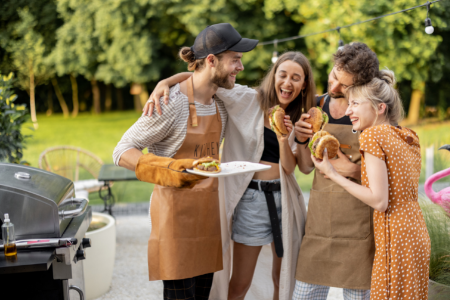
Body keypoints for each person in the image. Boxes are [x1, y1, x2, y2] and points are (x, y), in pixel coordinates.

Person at [144, 51, 314, 300]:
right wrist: (165, 83)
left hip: (285, 201)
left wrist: (290, 137)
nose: (288, 83)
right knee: (239, 285)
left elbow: (292, 168)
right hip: (252, 200)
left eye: (296, 78)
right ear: (273, 76)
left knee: (283, 279)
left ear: (304, 83)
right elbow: (203, 78)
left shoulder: (303, 116)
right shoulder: (247, 99)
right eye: (283, 75)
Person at [112, 23, 258, 300]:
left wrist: (167, 79)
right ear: (212, 60)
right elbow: (122, 150)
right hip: (175, 223)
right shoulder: (171, 103)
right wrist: (174, 169)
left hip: (208, 219)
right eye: (235, 59)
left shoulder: (222, 99)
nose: (240, 66)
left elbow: (196, 77)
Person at [312, 69, 431, 300]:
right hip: (416, 233)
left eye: (355, 104)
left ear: (380, 108)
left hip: (394, 237)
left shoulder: (372, 136)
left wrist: (333, 173)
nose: (348, 111)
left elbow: (379, 201)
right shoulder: (408, 135)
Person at [292, 43, 380, 300]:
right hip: (319, 226)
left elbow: (389, 175)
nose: (333, 88)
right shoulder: (317, 108)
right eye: (333, 76)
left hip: (359, 229)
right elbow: (307, 168)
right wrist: (299, 140)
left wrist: (351, 170)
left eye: (344, 85)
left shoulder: (373, 114)